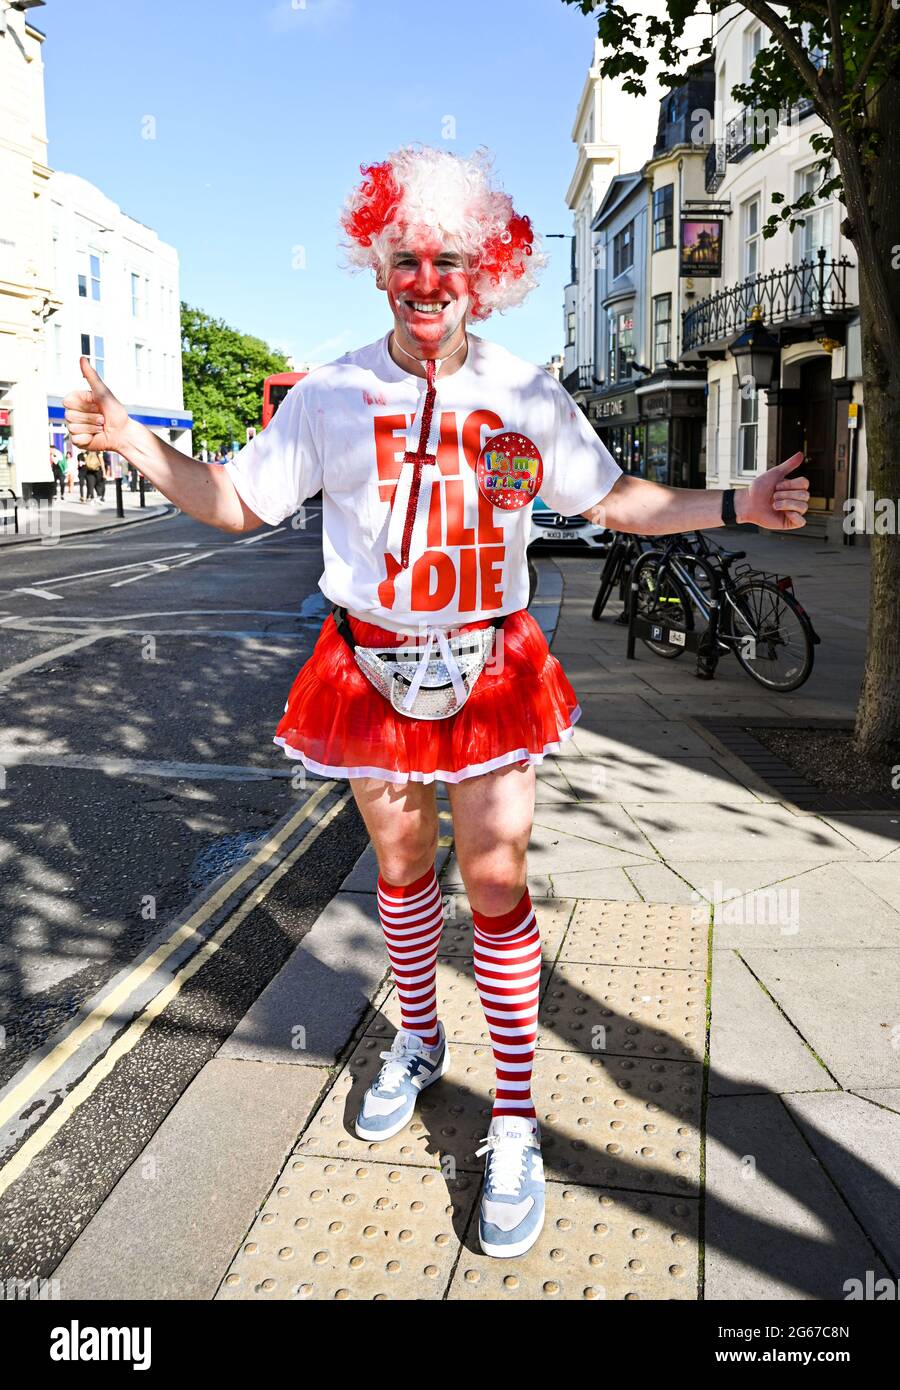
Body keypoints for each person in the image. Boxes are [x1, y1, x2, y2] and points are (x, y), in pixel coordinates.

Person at [62, 145, 809, 1260]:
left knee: (498, 874)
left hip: (491, 668)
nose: (426, 280)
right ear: (378, 266)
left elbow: (615, 501)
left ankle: (515, 1119)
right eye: (405, 258)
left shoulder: (525, 394)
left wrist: (732, 500)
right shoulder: (329, 393)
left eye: (447, 260)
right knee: (403, 873)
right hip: (369, 669)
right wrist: (135, 441)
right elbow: (234, 502)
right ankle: (418, 1038)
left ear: (486, 271)